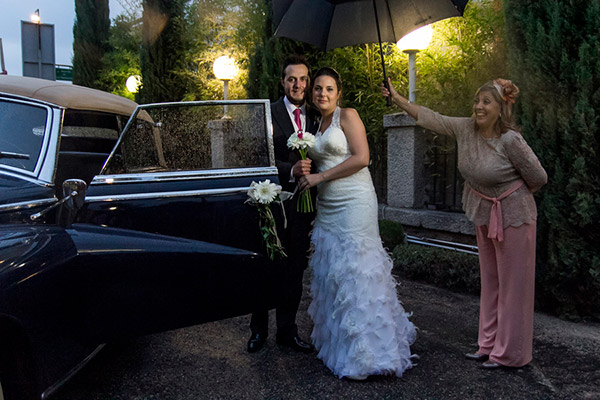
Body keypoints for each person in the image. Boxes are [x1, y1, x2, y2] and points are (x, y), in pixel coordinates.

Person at [381, 77, 547, 369]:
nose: (479, 106)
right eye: (477, 101)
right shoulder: (466, 128)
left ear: (501, 108)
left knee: (513, 287)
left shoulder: (510, 140)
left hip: (514, 215)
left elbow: (538, 178)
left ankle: (510, 354)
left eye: (487, 102)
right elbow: (432, 118)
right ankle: (487, 345)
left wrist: (506, 195)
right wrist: (397, 98)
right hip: (484, 212)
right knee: (491, 281)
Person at [297, 67, 417, 380]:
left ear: (339, 93)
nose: (323, 94)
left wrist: (320, 176)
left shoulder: (348, 116)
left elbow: (362, 158)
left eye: (329, 89)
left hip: (355, 201)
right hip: (328, 206)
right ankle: (341, 347)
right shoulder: (315, 125)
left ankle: (371, 353)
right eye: (318, 88)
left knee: (357, 269)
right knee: (334, 271)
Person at [247, 55, 318, 354]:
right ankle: (258, 330)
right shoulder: (267, 112)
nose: (297, 85)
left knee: (295, 269)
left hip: (303, 206)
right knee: (265, 267)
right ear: (282, 82)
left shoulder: (317, 115)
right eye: (292, 79)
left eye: (302, 79)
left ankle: (287, 331)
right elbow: (255, 157)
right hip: (272, 204)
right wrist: (290, 170)